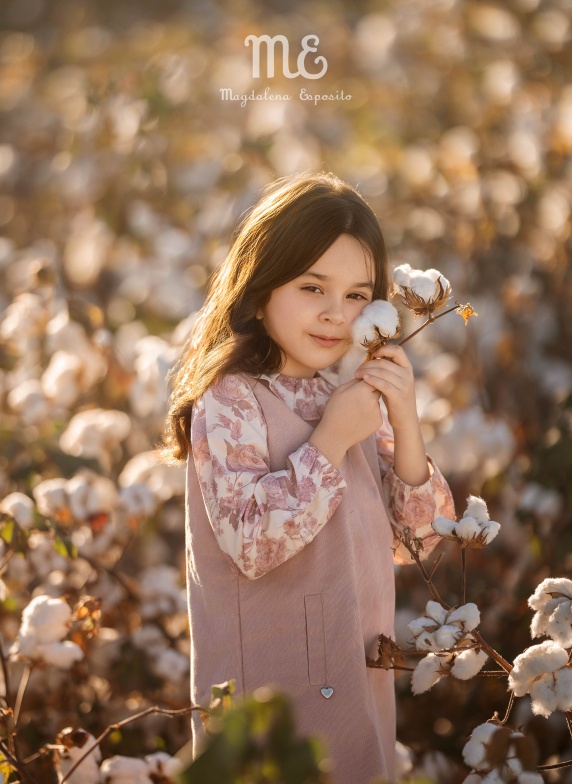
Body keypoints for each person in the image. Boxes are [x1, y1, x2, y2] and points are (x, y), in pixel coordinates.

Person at [160, 171, 456, 783]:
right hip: (272, 699)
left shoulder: (341, 396)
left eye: (356, 295)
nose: (334, 314)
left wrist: (404, 417)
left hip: (356, 681)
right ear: (260, 285)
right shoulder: (231, 401)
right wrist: (330, 440)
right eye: (312, 287)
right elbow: (250, 542)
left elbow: (420, 542)